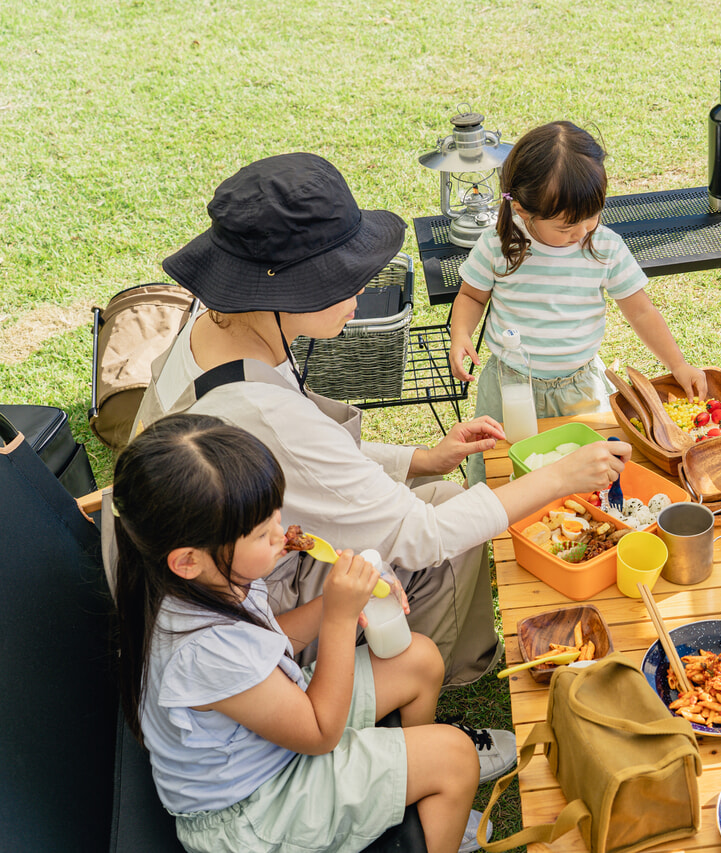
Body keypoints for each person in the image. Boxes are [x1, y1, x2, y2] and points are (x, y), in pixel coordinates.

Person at [131, 151, 631, 779]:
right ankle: (412, 685)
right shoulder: (258, 410)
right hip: (240, 588)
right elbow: (417, 538)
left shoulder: (225, 322)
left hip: (215, 548)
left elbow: (315, 455)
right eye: (343, 279)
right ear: (283, 287)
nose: (361, 290)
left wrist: (422, 458)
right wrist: (555, 478)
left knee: (445, 494)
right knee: (447, 528)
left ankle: (444, 667)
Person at [111, 413, 487, 853]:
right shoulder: (202, 650)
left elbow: (271, 644)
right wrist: (340, 620)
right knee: (456, 757)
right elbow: (319, 733)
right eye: (260, 532)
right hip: (255, 813)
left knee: (417, 659)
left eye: (276, 516)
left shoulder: (204, 580)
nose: (280, 534)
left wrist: (331, 600)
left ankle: (415, 798)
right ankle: (429, 787)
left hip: (271, 746)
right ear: (188, 559)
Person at [447, 121, 707, 485]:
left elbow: (641, 310)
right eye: (567, 227)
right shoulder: (500, 244)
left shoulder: (603, 246)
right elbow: (472, 295)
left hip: (580, 388)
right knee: (501, 471)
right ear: (522, 210)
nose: (582, 232)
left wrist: (677, 364)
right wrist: (460, 334)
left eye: (591, 217)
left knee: (587, 476)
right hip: (510, 385)